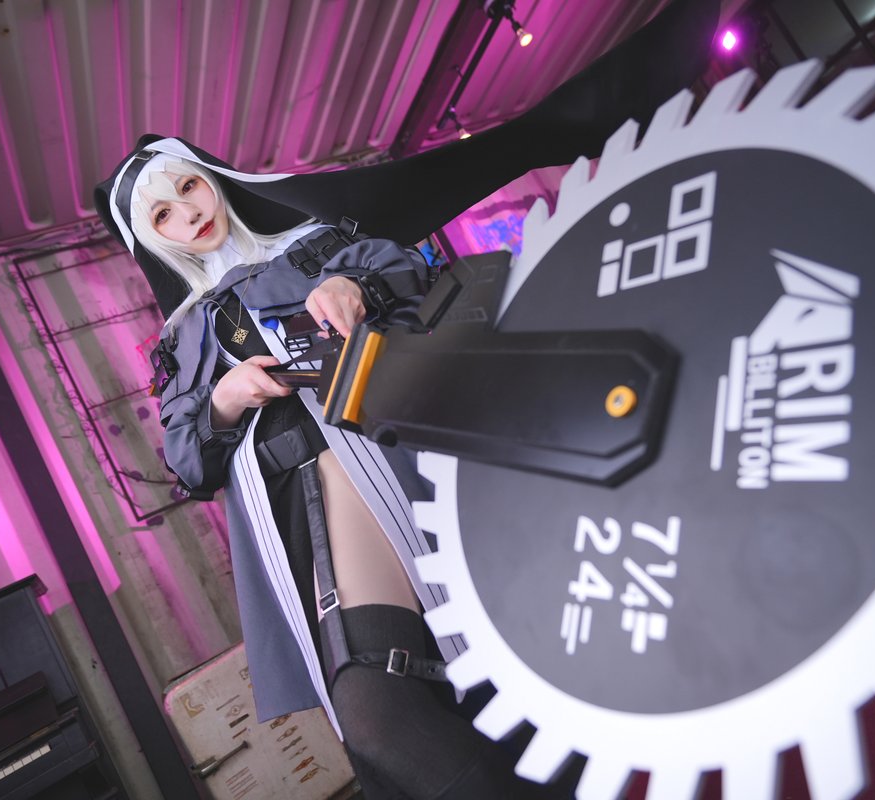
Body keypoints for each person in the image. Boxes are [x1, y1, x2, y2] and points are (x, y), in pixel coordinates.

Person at [94, 4, 719, 796]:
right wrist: (222, 397)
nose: (189, 212)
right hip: (303, 518)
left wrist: (352, 287)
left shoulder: (313, 246)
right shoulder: (179, 343)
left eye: (189, 185)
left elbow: (407, 269)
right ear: (150, 238)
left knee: (508, 666)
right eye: (163, 213)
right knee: (378, 720)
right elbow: (187, 460)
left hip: (396, 456)